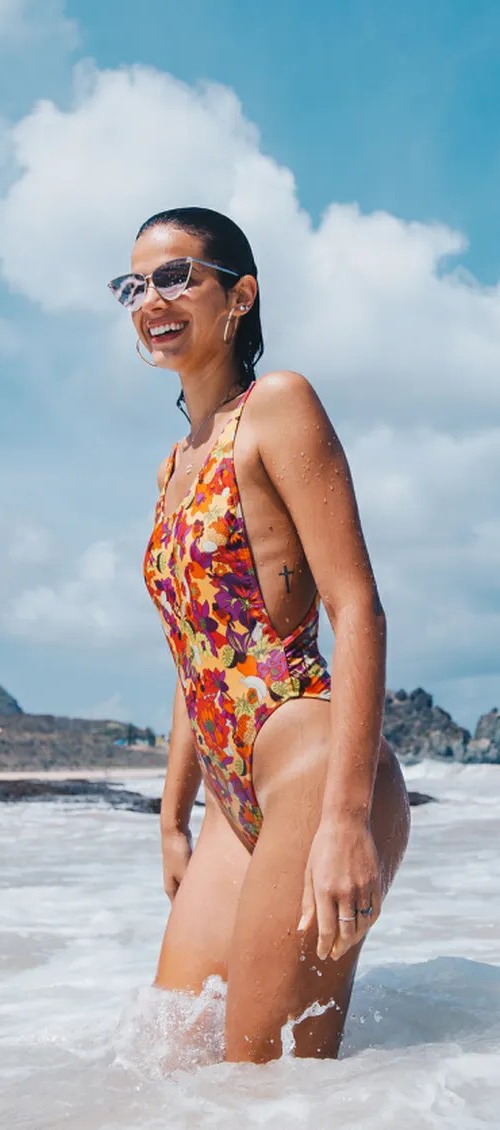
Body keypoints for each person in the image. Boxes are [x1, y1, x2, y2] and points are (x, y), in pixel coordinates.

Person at [109, 207, 410, 1062]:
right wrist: (172, 818)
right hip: (229, 804)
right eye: (134, 285)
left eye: (176, 277)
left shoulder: (278, 407)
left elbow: (358, 609)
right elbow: (193, 653)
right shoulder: (171, 467)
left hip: (309, 767)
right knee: (170, 1065)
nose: (151, 300)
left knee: (267, 1090)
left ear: (239, 296)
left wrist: (346, 819)